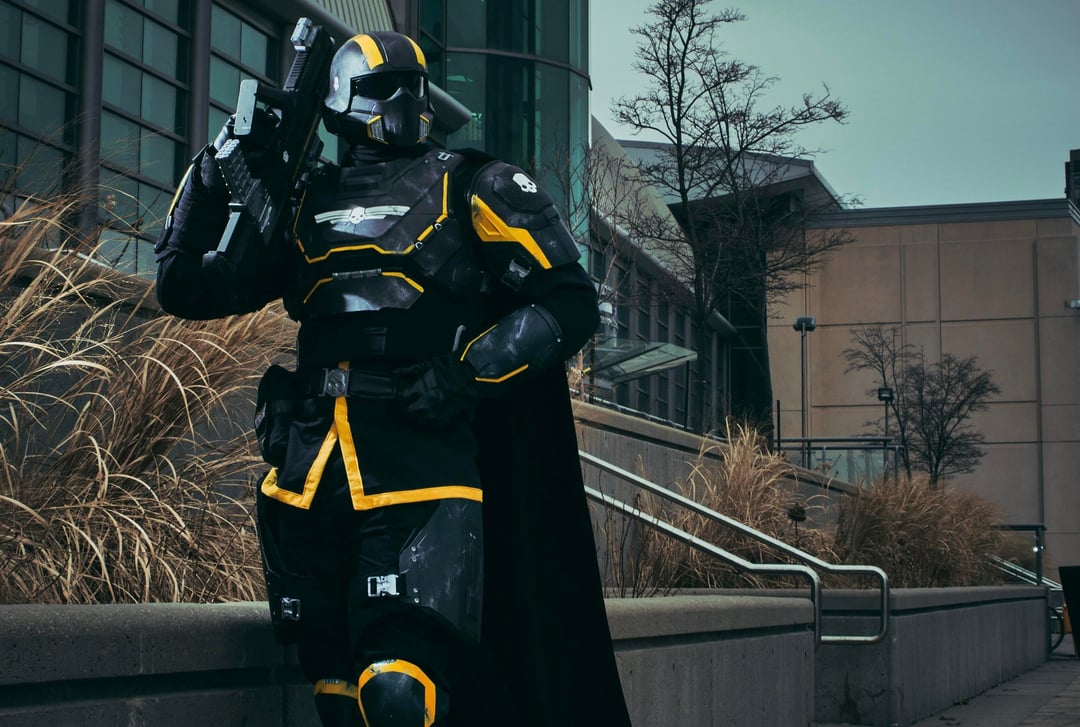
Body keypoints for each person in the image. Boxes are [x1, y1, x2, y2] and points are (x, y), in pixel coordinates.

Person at [155, 28, 631, 727]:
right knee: (335, 689)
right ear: (341, 99)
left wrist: (465, 374)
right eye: (384, 88)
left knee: (400, 691)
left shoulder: (477, 184)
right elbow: (184, 285)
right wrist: (220, 161)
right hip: (310, 473)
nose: (402, 101)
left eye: (414, 86)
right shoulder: (299, 202)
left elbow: (568, 301)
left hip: (420, 470)